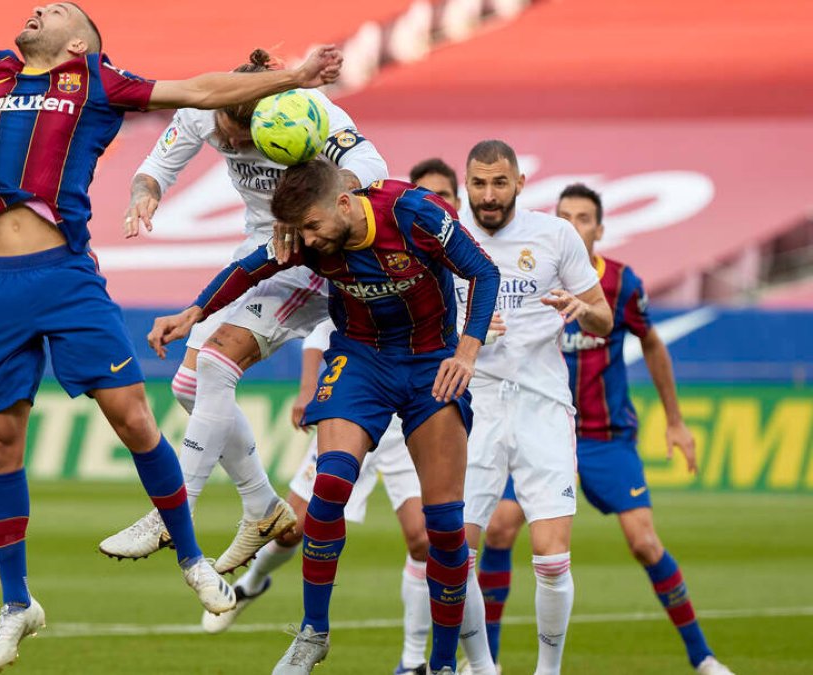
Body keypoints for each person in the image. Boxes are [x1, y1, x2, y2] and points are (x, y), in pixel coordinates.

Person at [0, 3, 344, 670]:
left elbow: (202, 90)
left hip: (64, 274)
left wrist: (291, 77)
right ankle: (16, 605)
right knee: (0, 441)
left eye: (53, 11)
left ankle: (190, 557)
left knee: (132, 415)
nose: (35, 12)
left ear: (79, 37)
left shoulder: (96, 79)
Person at [147, 159, 500, 675]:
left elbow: (484, 271)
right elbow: (248, 268)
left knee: (445, 528)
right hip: (361, 361)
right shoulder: (308, 237)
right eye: (300, 231)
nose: (306, 240)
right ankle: (313, 633)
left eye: (312, 226)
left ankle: (444, 664)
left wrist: (466, 353)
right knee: (329, 485)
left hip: (431, 364)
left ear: (343, 203)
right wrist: (194, 312)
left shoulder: (414, 212)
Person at [99, 48, 388, 573]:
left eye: (246, 140)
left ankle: (174, 510)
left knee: (215, 363)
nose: (234, 146)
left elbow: (372, 167)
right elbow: (155, 167)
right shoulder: (202, 110)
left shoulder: (308, 113)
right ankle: (260, 506)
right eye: (229, 136)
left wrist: (311, 203)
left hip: (308, 255)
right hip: (256, 251)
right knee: (189, 387)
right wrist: (145, 196)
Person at [472, 184, 734, 675]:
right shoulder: (530, 270)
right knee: (502, 529)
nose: (573, 224)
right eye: (564, 215)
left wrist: (675, 421)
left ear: (599, 229)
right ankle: (485, 661)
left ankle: (702, 657)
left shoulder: (619, 283)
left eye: (584, 217)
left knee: (643, 542)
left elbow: (652, 343)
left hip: (602, 435)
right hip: (538, 427)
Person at [448, 140, 613, 675]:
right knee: (455, 554)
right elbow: (421, 325)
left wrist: (579, 307)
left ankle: (548, 670)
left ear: (519, 184)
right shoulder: (445, 238)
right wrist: (460, 332)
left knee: (550, 555)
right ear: (465, 184)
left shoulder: (555, 235)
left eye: (500, 183)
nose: (489, 195)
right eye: (479, 183)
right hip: (476, 406)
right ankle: (482, 667)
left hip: (543, 405)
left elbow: (604, 319)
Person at [205, 318, 436, 675]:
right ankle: (249, 587)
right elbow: (320, 329)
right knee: (292, 528)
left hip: (407, 418)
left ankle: (412, 661)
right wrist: (309, 388)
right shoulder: (362, 267)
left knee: (423, 539)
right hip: (353, 411)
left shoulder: (439, 272)